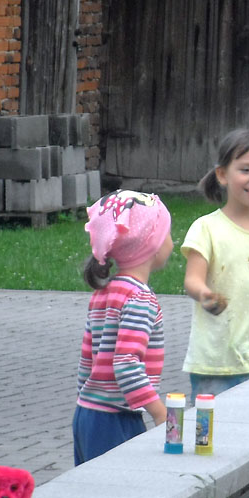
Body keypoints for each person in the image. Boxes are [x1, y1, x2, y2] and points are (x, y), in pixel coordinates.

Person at [181, 128, 249, 400]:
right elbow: (192, 279)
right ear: (222, 175)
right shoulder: (206, 228)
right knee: (214, 428)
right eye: (246, 170)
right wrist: (204, 294)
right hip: (217, 363)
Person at [72, 189, 173, 465]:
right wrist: (160, 413)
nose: (172, 241)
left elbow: (87, 360)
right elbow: (126, 363)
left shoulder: (105, 291)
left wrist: (85, 401)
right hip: (115, 420)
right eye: (167, 233)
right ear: (151, 243)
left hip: (87, 415)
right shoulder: (139, 298)